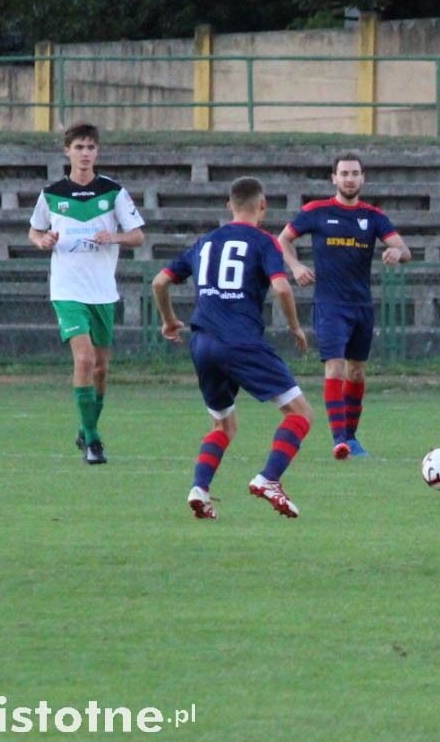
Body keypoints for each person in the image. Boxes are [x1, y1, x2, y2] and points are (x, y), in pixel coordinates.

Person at [152, 177, 312, 520]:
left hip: (202, 342)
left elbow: (160, 281)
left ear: (229, 205)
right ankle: (269, 479)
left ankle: (200, 489)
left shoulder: (204, 242)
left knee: (223, 425)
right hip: (241, 342)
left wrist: (168, 320)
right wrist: (295, 327)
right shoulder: (266, 241)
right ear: (263, 205)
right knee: (300, 414)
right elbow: (282, 289)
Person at [277, 152, 411, 460]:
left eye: (355, 173)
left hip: (361, 305)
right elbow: (282, 240)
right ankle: (339, 439)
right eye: (344, 173)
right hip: (329, 305)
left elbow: (403, 249)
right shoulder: (316, 211)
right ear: (334, 178)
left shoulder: (373, 216)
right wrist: (296, 267)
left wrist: (396, 253)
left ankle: (351, 437)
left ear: (363, 179)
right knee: (334, 367)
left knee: (356, 373)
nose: (349, 179)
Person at [28, 122, 146, 465]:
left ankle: (86, 426)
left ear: (97, 152)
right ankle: (93, 442)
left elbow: (137, 235)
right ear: (67, 151)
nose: (85, 153)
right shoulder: (52, 193)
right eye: (79, 147)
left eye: (90, 147)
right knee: (84, 359)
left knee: (101, 370)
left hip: (102, 291)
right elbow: (35, 231)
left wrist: (115, 238)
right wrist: (43, 240)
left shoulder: (113, 192)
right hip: (67, 289)